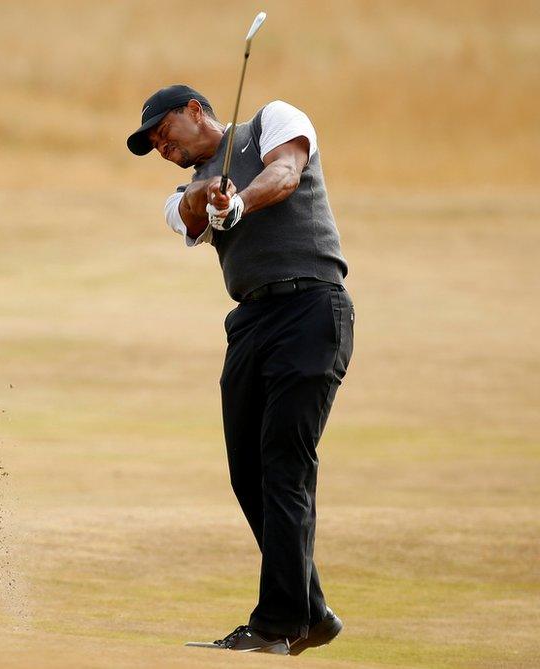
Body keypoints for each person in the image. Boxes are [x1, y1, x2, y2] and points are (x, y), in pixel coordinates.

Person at [126, 84, 354, 655]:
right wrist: (211, 196)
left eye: (163, 133)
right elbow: (187, 213)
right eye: (152, 145)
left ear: (196, 110)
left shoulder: (272, 120)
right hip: (251, 323)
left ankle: (277, 625)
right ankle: (313, 611)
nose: (161, 148)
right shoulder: (184, 191)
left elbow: (286, 174)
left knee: (284, 462)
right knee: (247, 470)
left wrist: (241, 201)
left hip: (311, 308)